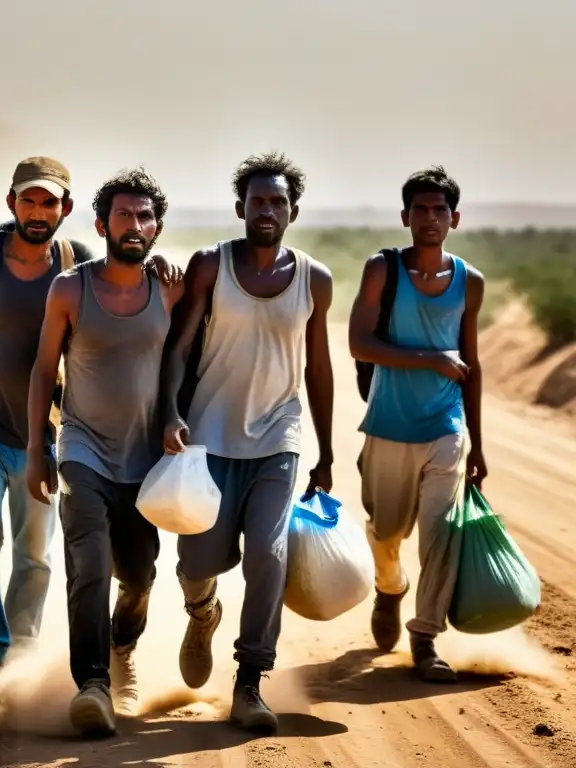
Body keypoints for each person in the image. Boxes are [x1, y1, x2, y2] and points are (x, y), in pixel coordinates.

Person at [0, 157, 180, 706]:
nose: (38, 212)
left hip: (47, 429)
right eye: (28, 200)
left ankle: (22, 649)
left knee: (36, 552)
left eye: (49, 202)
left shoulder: (74, 262)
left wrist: (158, 266)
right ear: (11, 202)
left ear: (67, 210)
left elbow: (120, 279)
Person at [159, 151, 334, 733]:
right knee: (196, 563)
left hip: (278, 439)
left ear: (294, 210)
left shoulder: (315, 279)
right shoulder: (211, 265)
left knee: (268, 554)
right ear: (240, 208)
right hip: (208, 439)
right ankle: (201, 611)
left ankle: (249, 681)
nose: (267, 210)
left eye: (277, 201)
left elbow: (318, 368)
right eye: (257, 201)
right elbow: (180, 345)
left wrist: (326, 453)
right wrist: (171, 413)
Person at [27, 167, 184, 737]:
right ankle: (92, 685)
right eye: (123, 215)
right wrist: (36, 451)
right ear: (100, 223)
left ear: (157, 226)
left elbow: (184, 362)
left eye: (145, 216)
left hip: (146, 463)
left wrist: (174, 419)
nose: (135, 225)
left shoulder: (172, 286)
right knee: (87, 564)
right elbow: (44, 371)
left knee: (140, 575)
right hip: (82, 451)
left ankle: (124, 646)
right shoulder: (71, 287)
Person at [348, 165, 485, 683]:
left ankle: (424, 638)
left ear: (455, 218)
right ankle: (389, 587)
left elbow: (471, 364)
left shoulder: (469, 281)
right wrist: (430, 358)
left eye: (440, 210)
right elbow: (360, 343)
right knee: (386, 533)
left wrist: (479, 445)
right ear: (405, 217)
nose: (430, 218)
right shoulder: (383, 270)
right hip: (387, 424)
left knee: (440, 538)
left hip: (447, 428)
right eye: (421, 209)